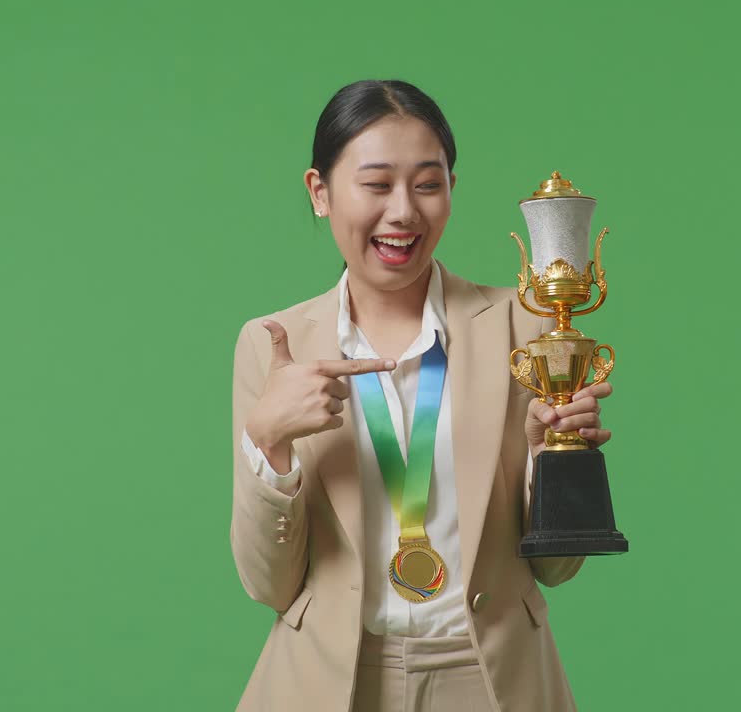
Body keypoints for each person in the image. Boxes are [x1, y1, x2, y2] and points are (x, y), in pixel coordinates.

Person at [229, 79, 614, 712]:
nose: (404, 212)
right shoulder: (273, 347)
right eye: (377, 185)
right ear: (320, 193)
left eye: (428, 184)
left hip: (492, 678)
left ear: (452, 191)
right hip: (333, 683)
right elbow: (269, 586)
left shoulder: (528, 329)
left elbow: (558, 568)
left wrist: (555, 461)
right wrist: (269, 444)